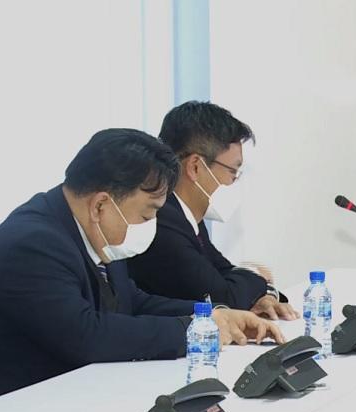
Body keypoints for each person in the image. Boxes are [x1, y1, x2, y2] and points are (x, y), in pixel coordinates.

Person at [0, 129, 285, 407]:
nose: (151, 225)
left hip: (66, 396)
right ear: (101, 205)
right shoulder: (32, 244)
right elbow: (87, 336)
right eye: (146, 215)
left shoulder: (93, 230)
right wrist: (191, 330)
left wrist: (213, 316)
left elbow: (131, 301)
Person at [127, 101, 298, 321]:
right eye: (233, 171)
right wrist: (257, 276)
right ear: (195, 167)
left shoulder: (187, 216)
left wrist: (265, 295)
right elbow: (224, 297)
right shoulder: (162, 220)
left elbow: (224, 271)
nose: (234, 181)